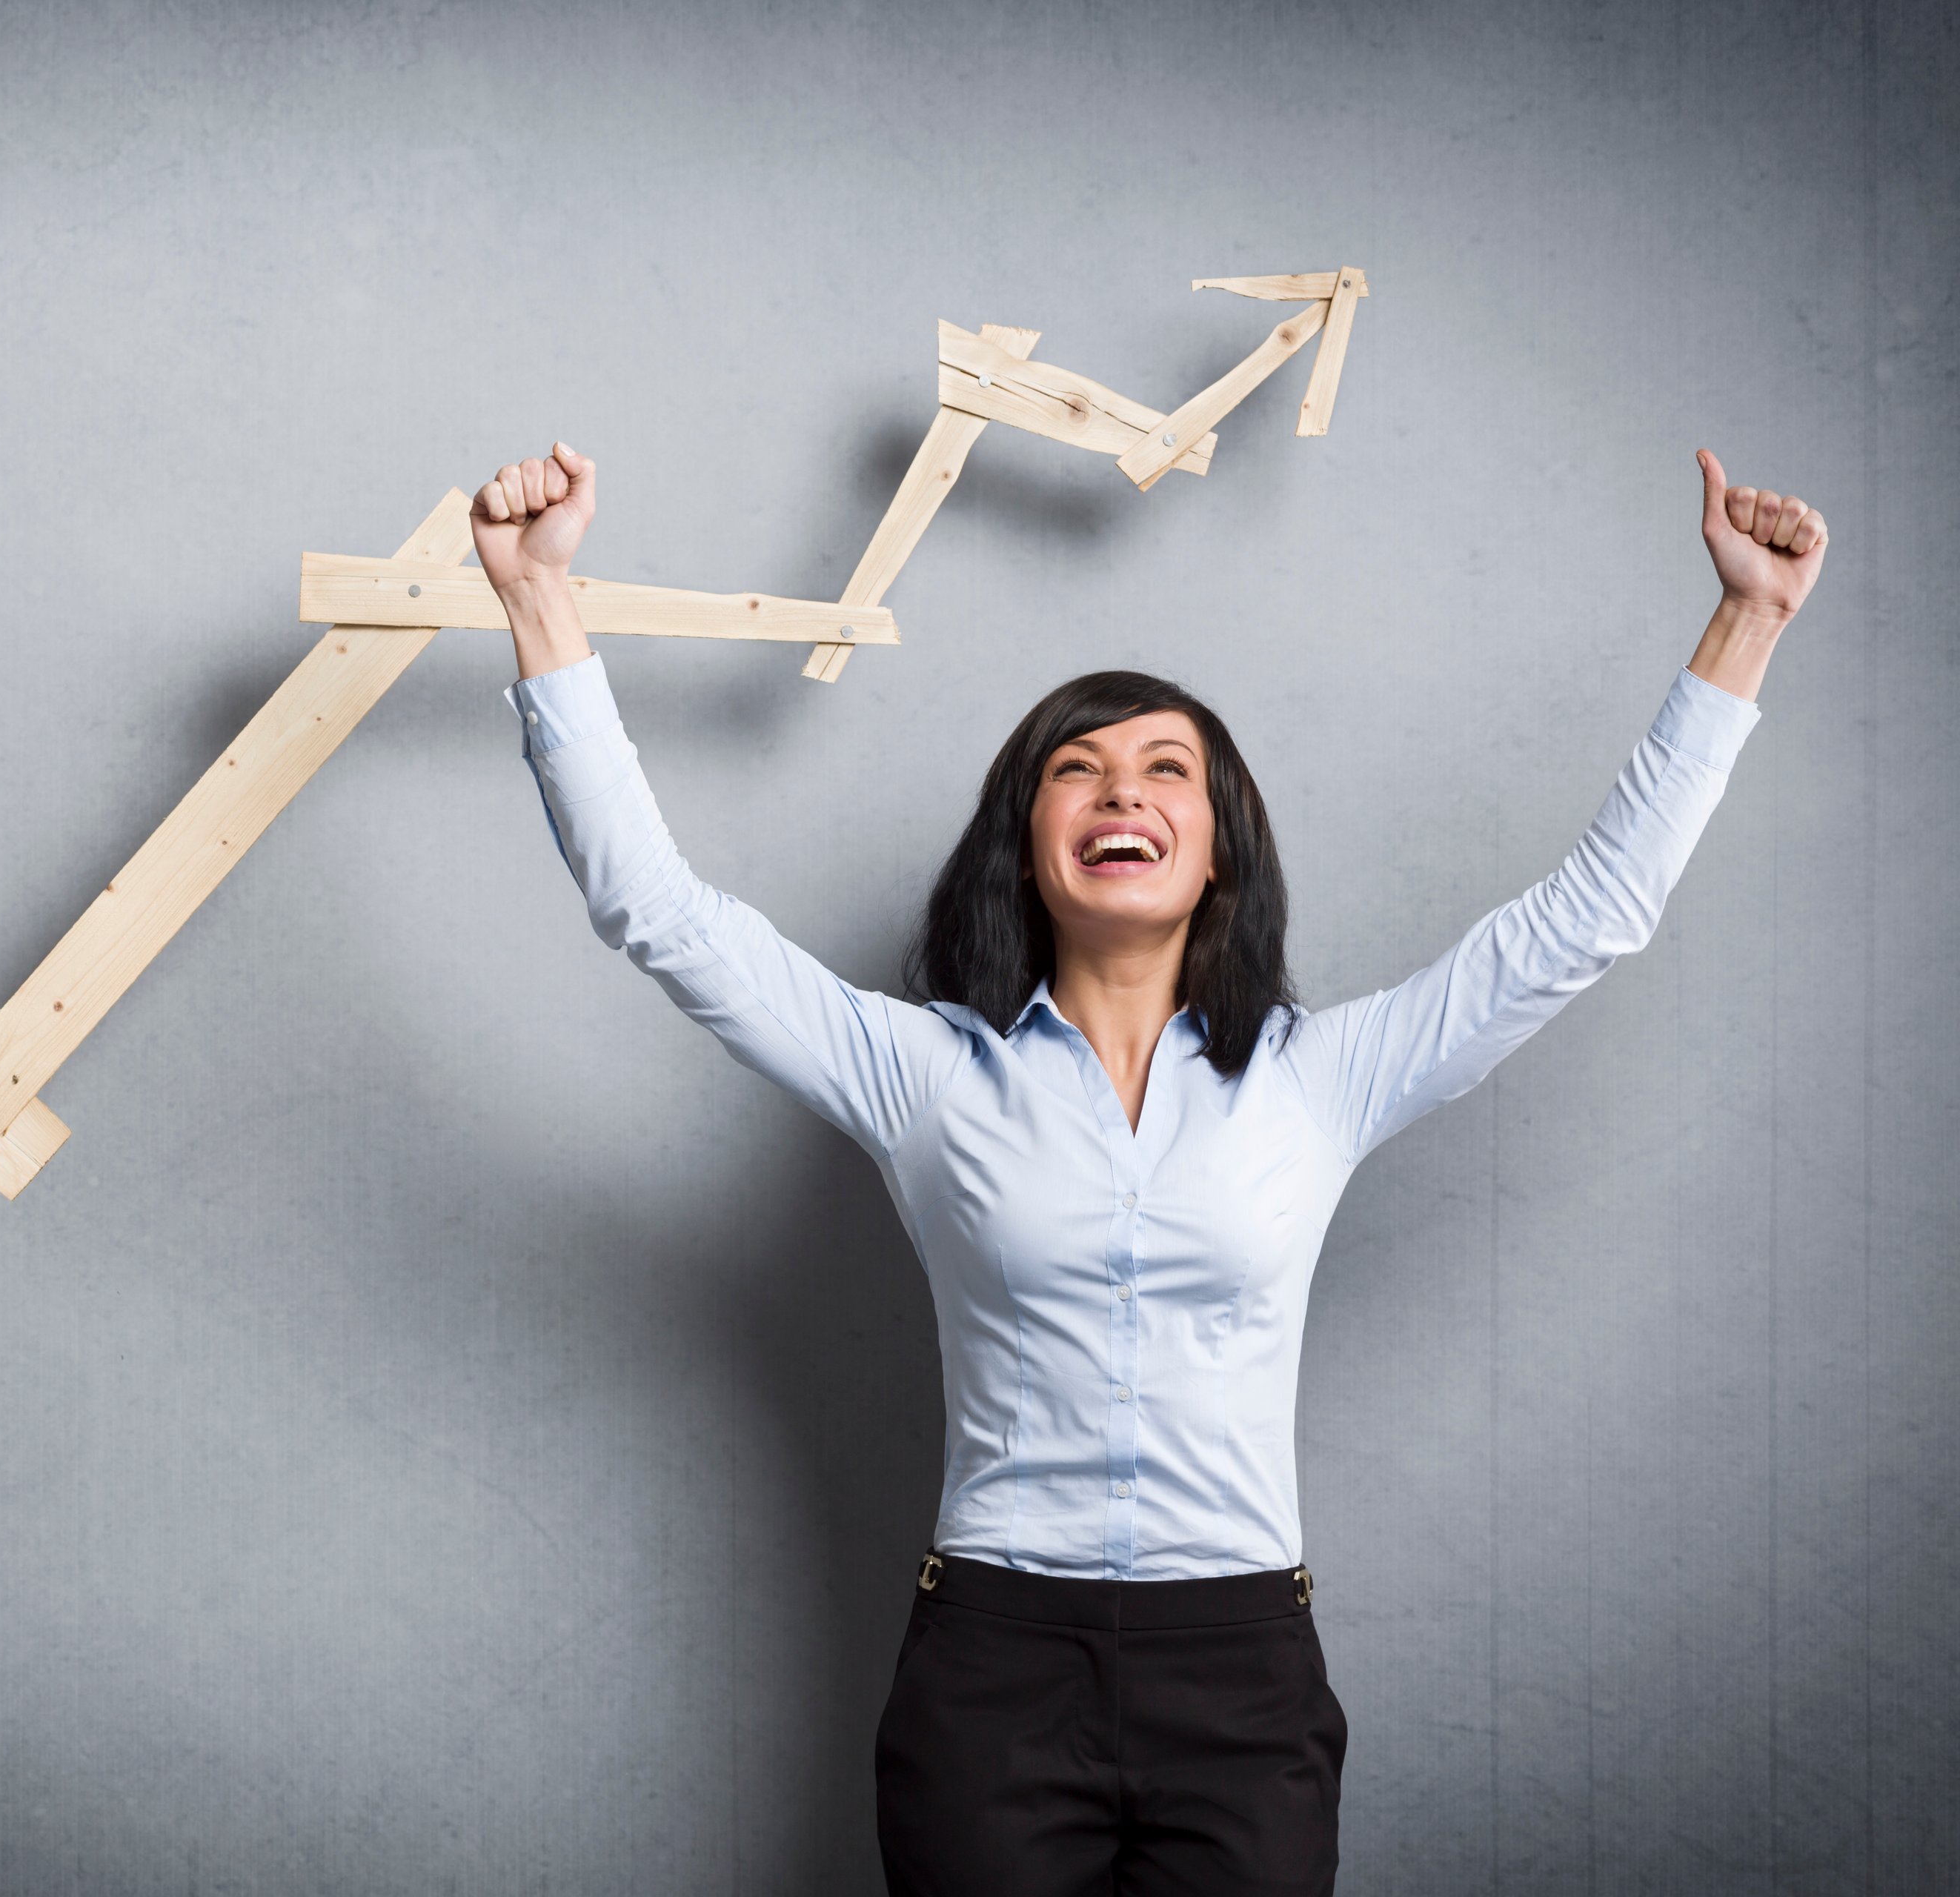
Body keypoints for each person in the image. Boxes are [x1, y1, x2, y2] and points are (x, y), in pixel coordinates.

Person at [471, 439, 1827, 1896]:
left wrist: (1744, 619)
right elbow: (657, 914)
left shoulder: (1322, 1078)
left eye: (1164, 767)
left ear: (1216, 852)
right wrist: (541, 598)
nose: (1123, 788)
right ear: (1030, 841)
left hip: (1242, 1677)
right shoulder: (922, 1075)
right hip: (993, 1668)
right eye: (1079, 767)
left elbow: (1586, 920)